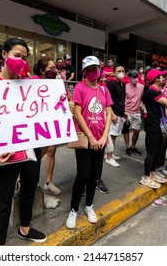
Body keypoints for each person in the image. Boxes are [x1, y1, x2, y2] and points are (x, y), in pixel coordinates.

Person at [0, 37, 47, 245]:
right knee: (3, 197)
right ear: (4, 55)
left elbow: (44, 114)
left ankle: (25, 228)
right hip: (6, 153)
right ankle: (1, 242)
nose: (21, 61)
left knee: (29, 189)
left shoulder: (32, 86)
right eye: (16, 55)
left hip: (31, 148)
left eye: (24, 57)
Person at [66, 55, 112, 229]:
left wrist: (103, 136)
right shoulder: (80, 87)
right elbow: (77, 113)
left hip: (100, 140)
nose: (94, 72)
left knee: (94, 176)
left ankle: (89, 206)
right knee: (82, 175)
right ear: (85, 72)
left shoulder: (104, 90)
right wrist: (92, 137)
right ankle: (73, 209)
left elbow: (108, 113)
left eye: (96, 68)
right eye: (90, 69)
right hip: (86, 140)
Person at [31, 57, 63, 195]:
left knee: (52, 150)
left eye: (55, 67)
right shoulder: (33, 81)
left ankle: (48, 182)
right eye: (51, 67)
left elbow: (64, 97)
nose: (54, 70)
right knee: (36, 153)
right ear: (42, 70)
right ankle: (29, 179)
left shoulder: (56, 83)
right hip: (37, 123)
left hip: (53, 121)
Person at [104, 64, 126, 170]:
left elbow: (121, 99)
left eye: (123, 70)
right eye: (118, 71)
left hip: (120, 113)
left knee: (114, 135)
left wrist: (124, 111)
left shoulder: (122, 84)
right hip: (114, 113)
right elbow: (106, 99)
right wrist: (112, 114)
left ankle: (110, 153)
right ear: (114, 72)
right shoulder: (111, 83)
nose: (121, 72)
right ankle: (108, 157)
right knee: (111, 136)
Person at [123, 69, 144, 156]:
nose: (136, 78)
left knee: (137, 131)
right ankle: (128, 146)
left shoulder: (141, 86)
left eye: (137, 76)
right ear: (130, 78)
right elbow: (122, 99)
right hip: (127, 111)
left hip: (137, 112)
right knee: (126, 129)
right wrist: (123, 111)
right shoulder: (125, 87)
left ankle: (133, 146)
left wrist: (143, 103)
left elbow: (144, 96)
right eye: (134, 77)